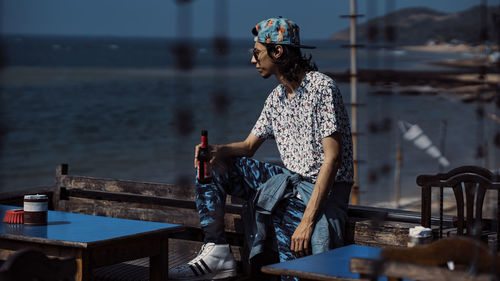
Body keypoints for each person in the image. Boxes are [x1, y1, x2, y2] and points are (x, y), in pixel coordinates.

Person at [169, 16, 353, 281]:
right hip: (292, 183)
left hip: (324, 189)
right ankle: (217, 251)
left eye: (256, 53)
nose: (253, 61)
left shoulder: (321, 88)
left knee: (288, 224)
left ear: (277, 52)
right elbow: (248, 147)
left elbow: (332, 160)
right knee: (215, 164)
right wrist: (215, 151)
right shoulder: (276, 98)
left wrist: (307, 222)